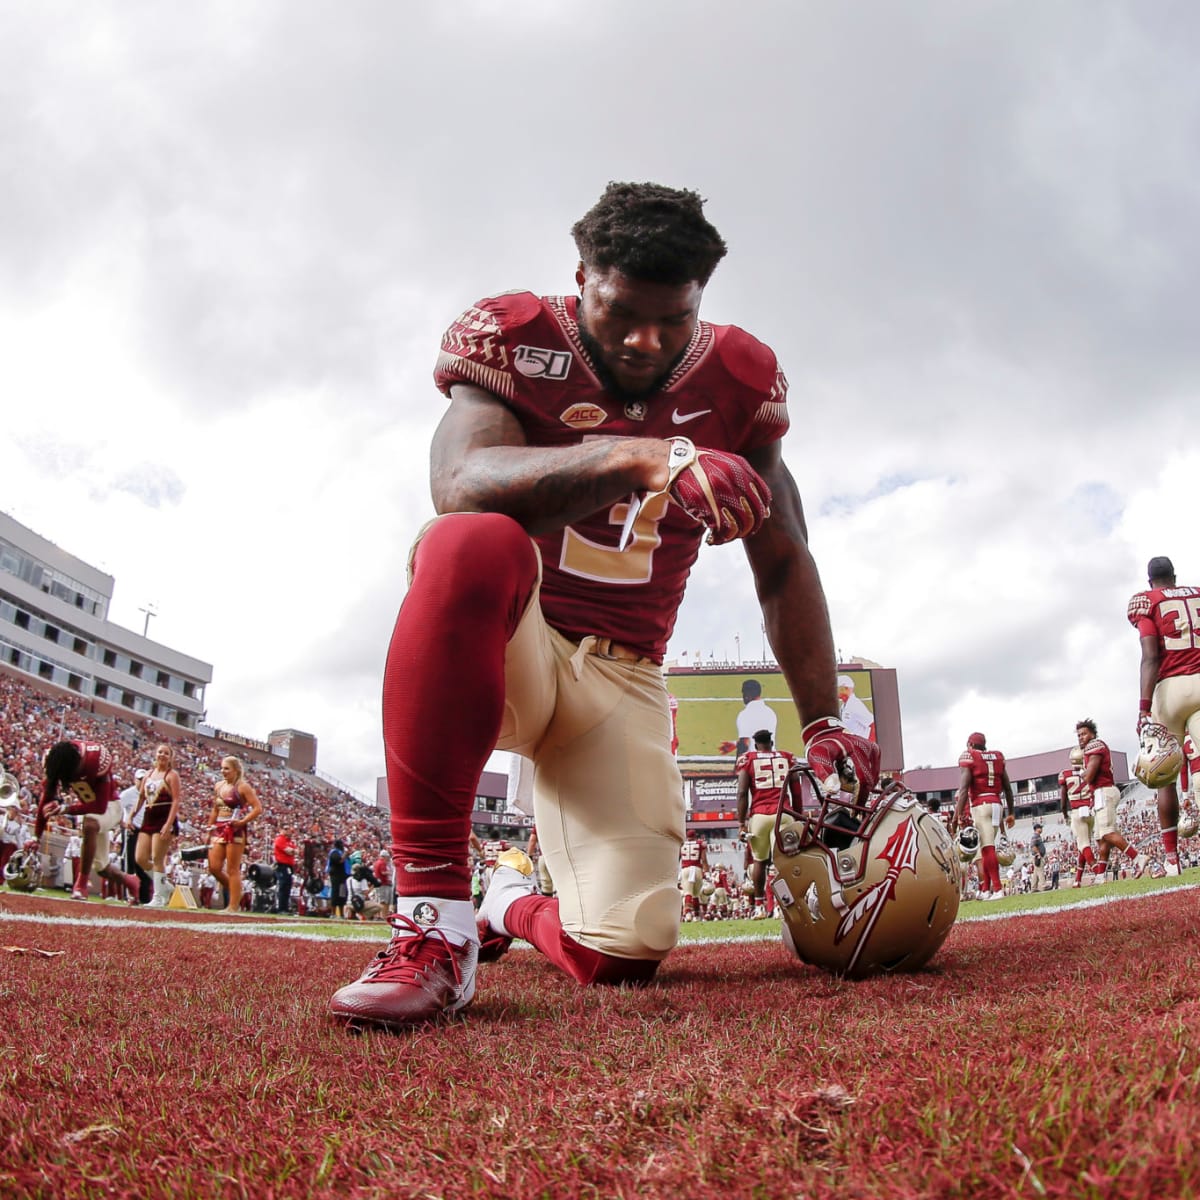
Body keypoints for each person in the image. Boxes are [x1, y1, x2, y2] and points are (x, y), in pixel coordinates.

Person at [329, 181, 879, 1029]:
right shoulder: (515, 336)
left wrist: (822, 722)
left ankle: (506, 902)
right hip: (515, 638)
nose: (645, 340)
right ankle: (432, 923)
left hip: (622, 682)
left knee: (622, 950)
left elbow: (783, 558)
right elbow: (461, 484)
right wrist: (642, 456)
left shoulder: (739, 376)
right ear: (579, 277)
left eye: (674, 320)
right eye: (621, 311)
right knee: (470, 541)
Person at [1127, 556, 1200, 876]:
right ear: (1175, 576)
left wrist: (1144, 707)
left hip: (1169, 690)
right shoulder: (1196, 593)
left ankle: (1172, 860)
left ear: (1149, 582)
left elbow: (1151, 654)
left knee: (1164, 776)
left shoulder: (1147, 602)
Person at [37, 741, 140, 903]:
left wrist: (66, 809)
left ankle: (81, 885)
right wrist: (36, 837)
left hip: (110, 807)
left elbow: (99, 807)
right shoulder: (56, 760)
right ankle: (130, 881)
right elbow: (45, 800)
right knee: (102, 868)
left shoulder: (95, 758)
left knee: (90, 824)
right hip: (89, 810)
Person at [735, 728, 799, 918]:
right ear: (771, 743)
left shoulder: (748, 759)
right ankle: (784, 905)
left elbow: (741, 793)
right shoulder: (788, 757)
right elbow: (796, 791)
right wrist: (799, 815)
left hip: (760, 815)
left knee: (759, 862)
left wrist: (741, 823)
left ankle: (759, 906)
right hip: (784, 813)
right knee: (784, 861)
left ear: (756, 745)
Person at [1075, 719, 1148, 881]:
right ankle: (1101, 875)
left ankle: (1138, 857)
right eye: (1079, 735)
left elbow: (1090, 775)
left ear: (1092, 734)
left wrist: (1082, 773)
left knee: (1108, 832)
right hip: (1101, 792)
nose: (1081, 737)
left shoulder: (1095, 745)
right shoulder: (1092, 748)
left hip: (1104, 791)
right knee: (1102, 838)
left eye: (1084, 733)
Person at [952, 732, 1015, 901]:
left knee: (987, 849)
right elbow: (1008, 788)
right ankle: (986, 889)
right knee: (986, 849)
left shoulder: (969, 757)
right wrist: (1012, 813)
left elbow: (964, 789)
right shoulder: (997, 757)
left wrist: (957, 817)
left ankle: (997, 888)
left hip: (981, 806)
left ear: (970, 745)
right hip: (997, 804)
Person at [205, 756, 262, 914]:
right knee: (214, 867)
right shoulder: (218, 786)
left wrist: (242, 821)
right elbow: (215, 809)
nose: (223, 771)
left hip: (234, 829)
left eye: (227, 768)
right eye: (222, 768)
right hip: (219, 827)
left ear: (236, 770)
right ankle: (236, 892)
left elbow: (257, 808)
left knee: (232, 869)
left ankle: (233, 905)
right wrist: (209, 829)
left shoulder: (243, 787)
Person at [130, 744, 183, 907]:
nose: (162, 755)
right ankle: (164, 885)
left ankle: (159, 896)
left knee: (158, 857)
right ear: (155, 754)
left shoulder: (172, 775)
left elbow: (175, 800)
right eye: (160, 752)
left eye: (166, 753)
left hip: (163, 817)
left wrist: (168, 824)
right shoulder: (148, 774)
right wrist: (132, 815)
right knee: (140, 858)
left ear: (170, 757)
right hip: (148, 817)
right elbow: (141, 797)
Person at [1058, 746, 1099, 887]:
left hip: (1077, 811)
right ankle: (1078, 879)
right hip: (1090, 810)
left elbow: (1063, 798)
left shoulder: (1066, 774)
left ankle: (1098, 872)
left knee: (1083, 844)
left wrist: (1064, 813)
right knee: (1084, 844)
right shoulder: (1090, 772)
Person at [735, 679, 778, 756]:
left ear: (747, 695)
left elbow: (745, 744)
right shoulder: (770, 712)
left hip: (754, 762)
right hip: (771, 760)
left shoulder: (744, 714)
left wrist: (738, 765)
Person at [678, 828, 710, 921]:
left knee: (688, 892)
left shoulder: (682, 844)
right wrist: (707, 873)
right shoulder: (700, 844)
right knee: (696, 894)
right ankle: (696, 916)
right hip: (697, 869)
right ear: (695, 836)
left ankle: (688, 913)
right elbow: (704, 860)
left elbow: (677, 859)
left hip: (685, 869)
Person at [836, 675, 875, 741]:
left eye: (837, 688)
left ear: (846, 688)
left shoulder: (855, 705)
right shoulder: (844, 706)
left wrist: (870, 746)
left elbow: (873, 724)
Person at [272, 826, 298, 914]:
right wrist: (292, 851)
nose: (288, 831)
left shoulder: (289, 841)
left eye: (289, 829)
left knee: (287, 886)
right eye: (285, 829)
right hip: (282, 865)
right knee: (283, 886)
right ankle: (281, 908)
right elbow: (288, 851)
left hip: (289, 866)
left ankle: (285, 908)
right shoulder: (280, 839)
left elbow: (295, 851)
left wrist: (292, 851)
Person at [326, 838, 348, 919]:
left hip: (342, 877)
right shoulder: (334, 852)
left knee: (342, 895)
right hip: (336, 877)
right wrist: (345, 854)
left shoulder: (340, 852)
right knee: (335, 894)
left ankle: (341, 914)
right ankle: (333, 913)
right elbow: (340, 861)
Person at [1029, 821, 1048, 893]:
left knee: (1036, 873)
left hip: (1037, 855)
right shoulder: (1035, 836)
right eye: (1040, 828)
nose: (1041, 829)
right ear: (1036, 829)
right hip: (1037, 856)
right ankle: (1044, 885)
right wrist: (1038, 854)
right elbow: (1033, 846)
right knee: (1040, 871)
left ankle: (1033, 888)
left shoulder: (1038, 836)